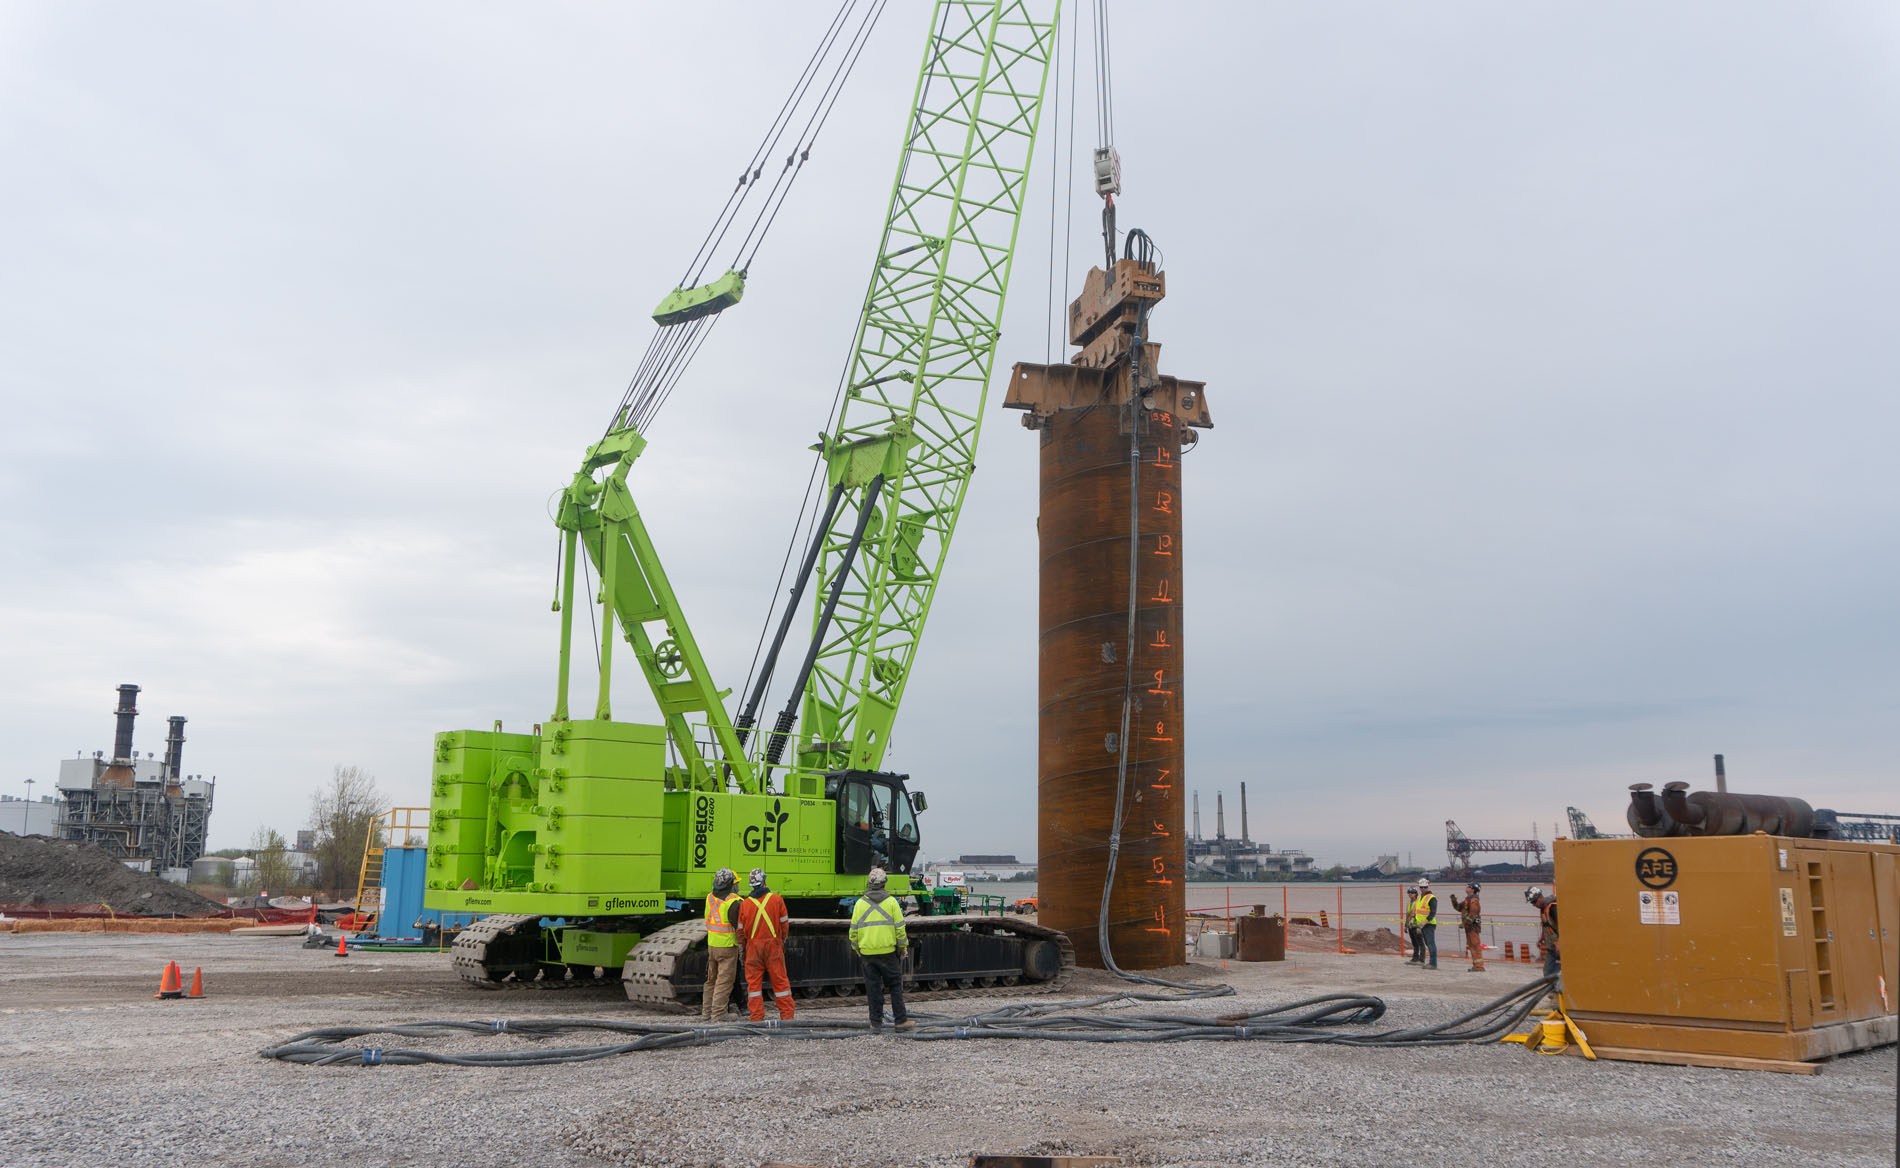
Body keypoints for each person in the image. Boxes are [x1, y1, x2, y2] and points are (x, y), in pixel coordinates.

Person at [849, 867, 912, 1035]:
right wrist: (903, 948)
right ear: (884, 884)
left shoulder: (860, 904)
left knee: (873, 989)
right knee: (895, 986)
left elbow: (853, 931)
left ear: (869, 884)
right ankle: (900, 1021)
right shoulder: (892, 903)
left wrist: (857, 948)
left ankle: (876, 1024)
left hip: (867, 954)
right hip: (888, 953)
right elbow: (900, 929)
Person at [738, 867, 793, 1022]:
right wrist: (781, 941)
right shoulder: (777, 900)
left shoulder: (745, 904)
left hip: (753, 948)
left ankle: (756, 1019)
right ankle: (787, 1017)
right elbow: (784, 925)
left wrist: (743, 949)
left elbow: (740, 932)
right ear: (764, 882)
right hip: (773, 946)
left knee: (754, 986)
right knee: (780, 982)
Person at [700, 867, 743, 1022]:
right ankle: (718, 1014)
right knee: (724, 981)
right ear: (731, 884)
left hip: (712, 945)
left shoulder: (710, 897)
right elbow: (740, 925)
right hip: (727, 947)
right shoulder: (733, 903)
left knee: (711, 980)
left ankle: (706, 1013)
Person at [1449, 882, 1485, 972]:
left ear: (1472, 889)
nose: (1466, 887)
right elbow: (1459, 908)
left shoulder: (1474, 900)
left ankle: (1479, 966)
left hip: (1473, 926)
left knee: (1475, 945)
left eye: (1468, 886)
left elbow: (1473, 913)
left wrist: (1465, 923)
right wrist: (1454, 901)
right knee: (1472, 946)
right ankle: (1476, 965)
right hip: (1469, 926)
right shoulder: (1468, 900)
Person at [1527, 886, 1560, 977]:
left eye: (1534, 901)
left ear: (1540, 897)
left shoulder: (1553, 907)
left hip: (1559, 947)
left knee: (1556, 971)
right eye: (1532, 903)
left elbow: (1563, 927)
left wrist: (1559, 943)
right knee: (1548, 972)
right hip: (1552, 948)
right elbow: (1546, 925)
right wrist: (1542, 938)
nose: (1534, 905)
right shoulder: (1543, 909)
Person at [1412, 877, 1438, 969]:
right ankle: (1431, 962)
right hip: (1421, 925)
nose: (1423, 889)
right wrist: (1414, 919)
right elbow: (1417, 910)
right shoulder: (1419, 897)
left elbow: (1433, 912)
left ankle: (1433, 963)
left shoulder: (1432, 898)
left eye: (1425, 887)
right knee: (1428, 944)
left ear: (1427, 887)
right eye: (1421, 887)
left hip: (1429, 924)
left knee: (1431, 944)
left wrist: (1425, 921)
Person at [1403, 888, 1424, 963]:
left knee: (1420, 942)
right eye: (1409, 893)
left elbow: (1418, 913)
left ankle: (1421, 959)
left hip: (1417, 925)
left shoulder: (1418, 902)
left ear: (1415, 894)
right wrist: (1406, 925)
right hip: (1410, 925)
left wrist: (1414, 920)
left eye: (1412, 893)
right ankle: (1415, 958)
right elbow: (1408, 914)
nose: (1410, 894)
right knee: (1414, 943)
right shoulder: (1409, 902)